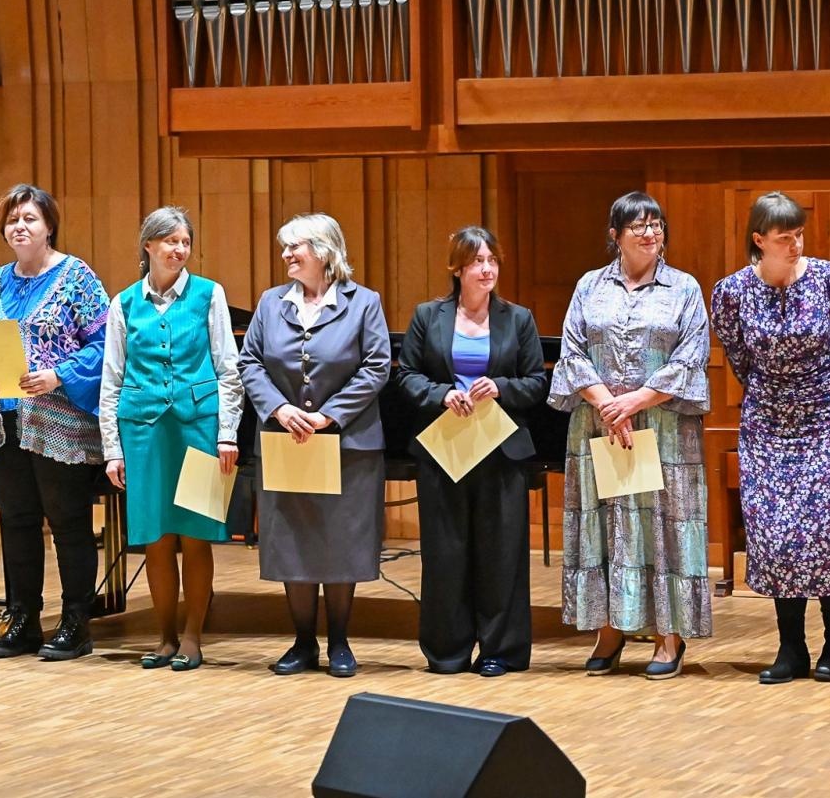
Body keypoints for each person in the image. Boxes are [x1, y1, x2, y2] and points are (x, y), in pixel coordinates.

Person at [548, 193, 713, 680]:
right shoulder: (589, 286)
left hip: (662, 427)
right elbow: (572, 351)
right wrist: (606, 403)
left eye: (657, 224)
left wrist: (636, 401)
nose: (650, 233)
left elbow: (691, 357)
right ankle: (608, 629)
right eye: (638, 225)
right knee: (605, 525)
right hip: (600, 426)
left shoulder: (683, 288)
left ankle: (669, 635)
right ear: (615, 235)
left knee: (665, 527)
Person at [710, 191, 830, 684]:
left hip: (828, 416)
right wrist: (775, 390)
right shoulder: (731, 292)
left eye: (799, 234)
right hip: (768, 424)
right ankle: (791, 648)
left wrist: (809, 383)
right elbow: (737, 356)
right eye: (784, 238)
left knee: (828, 531)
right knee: (776, 534)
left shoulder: (829, 279)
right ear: (759, 241)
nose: (795, 244)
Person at [238, 213, 391, 678]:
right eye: (285, 247)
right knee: (294, 543)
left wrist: (329, 415)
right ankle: (303, 642)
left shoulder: (364, 303)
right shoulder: (270, 303)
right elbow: (250, 363)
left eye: (295, 246)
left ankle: (340, 641)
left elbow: (377, 365)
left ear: (324, 251)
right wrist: (281, 410)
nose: (286, 255)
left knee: (340, 542)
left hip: (346, 445)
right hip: (287, 441)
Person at [0, 184, 110, 661]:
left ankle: (75, 622)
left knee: (68, 522)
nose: (19, 226)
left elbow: (105, 346)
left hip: (59, 422)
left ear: (49, 226)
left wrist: (59, 375)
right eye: (11, 219)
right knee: (17, 520)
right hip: (4, 421)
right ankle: (22, 618)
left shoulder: (78, 277)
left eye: (29, 218)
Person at [395, 226, 547, 677]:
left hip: (500, 452)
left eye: (492, 261)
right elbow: (406, 375)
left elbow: (537, 381)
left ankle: (502, 651)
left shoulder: (518, 318)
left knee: (501, 556)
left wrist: (499, 387)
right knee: (445, 553)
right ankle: (448, 651)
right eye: (477, 261)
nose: (487, 269)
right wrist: (442, 394)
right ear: (457, 268)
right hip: (446, 450)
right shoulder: (428, 315)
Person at [101, 206, 243, 672]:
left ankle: (193, 636)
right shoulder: (123, 303)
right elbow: (112, 379)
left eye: (185, 241)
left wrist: (226, 435)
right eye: (170, 241)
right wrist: (112, 449)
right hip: (142, 432)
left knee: (196, 536)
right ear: (149, 246)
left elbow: (228, 369)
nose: (179, 249)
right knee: (156, 539)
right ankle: (163, 638)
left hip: (198, 427)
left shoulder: (209, 294)